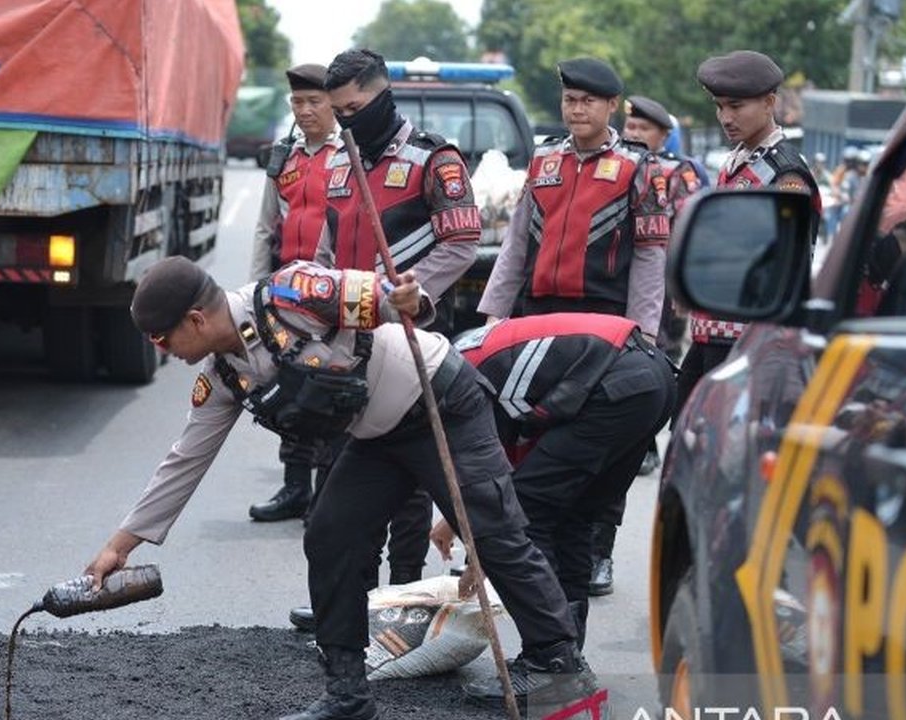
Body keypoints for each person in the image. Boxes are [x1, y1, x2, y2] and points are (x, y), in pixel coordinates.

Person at [84, 257, 599, 719]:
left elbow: (385, 296)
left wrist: (407, 298)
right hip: (379, 440)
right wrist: (119, 545)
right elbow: (185, 459)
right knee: (330, 536)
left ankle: (559, 669)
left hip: (441, 403)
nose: (163, 351)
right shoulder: (223, 375)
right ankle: (347, 693)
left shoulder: (291, 294)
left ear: (195, 320)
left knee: (491, 532)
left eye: (161, 338)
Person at [308, 47, 480, 588]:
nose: (348, 119)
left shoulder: (435, 160)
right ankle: (344, 591)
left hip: (410, 337)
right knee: (337, 466)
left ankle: (405, 589)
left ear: (383, 94)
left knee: (408, 475)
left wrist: (406, 292)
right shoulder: (340, 161)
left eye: (355, 107)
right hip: (345, 341)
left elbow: (461, 244)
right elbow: (325, 251)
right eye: (340, 112)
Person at [430, 312, 677, 649]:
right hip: (653, 377)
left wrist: (482, 552)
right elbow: (504, 464)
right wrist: (460, 526)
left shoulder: (463, 378)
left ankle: (548, 658)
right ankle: (567, 663)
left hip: (616, 383)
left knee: (527, 519)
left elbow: (498, 483)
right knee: (573, 517)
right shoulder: (468, 355)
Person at [575, 95, 701, 598]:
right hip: (598, 302)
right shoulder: (607, 165)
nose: (634, 132)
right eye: (630, 123)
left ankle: (599, 552)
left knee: (630, 421)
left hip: (656, 301)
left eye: (645, 127)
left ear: (663, 135)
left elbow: (688, 230)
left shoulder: (676, 173)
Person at [477, 58, 673, 348]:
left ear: (612, 105)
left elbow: (650, 255)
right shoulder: (543, 158)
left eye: (588, 101)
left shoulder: (639, 166)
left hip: (605, 317)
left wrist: (643, 334)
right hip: (537, 312)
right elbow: (516, 242)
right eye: (570, 100)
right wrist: (494, 315)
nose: (577, 110)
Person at [677, 50, 821, 419]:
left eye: (736, 106)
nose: (726, 117)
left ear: (770, 102)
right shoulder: (741, 161)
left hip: (748, 344)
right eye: (720, 106)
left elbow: (787, 270)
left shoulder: (785, 173)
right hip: (712, 333)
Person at [247, 62, 341, 523]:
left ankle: (326, 492)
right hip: (284, 297)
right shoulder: (284, 157)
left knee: (326, 390)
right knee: (287, 388)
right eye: (297, 103)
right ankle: (294, 488)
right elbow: (267, 228)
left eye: (314, 102)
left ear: (333, 104)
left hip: (330, 296)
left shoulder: (351, 157)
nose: (304, 111)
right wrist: (254, 293)